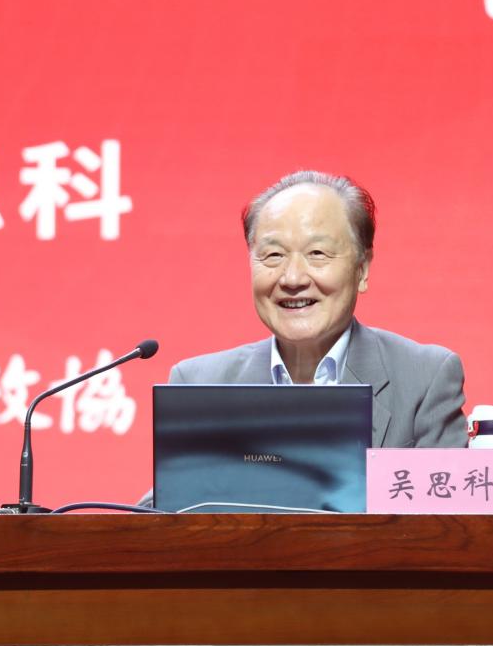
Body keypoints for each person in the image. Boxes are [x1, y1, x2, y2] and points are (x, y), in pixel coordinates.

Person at [169, 170, 467, 448]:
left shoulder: (424, 380)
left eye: (317, 253)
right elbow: (180, 488)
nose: (293, 278)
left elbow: (443, 487)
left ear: (362, 269)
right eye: (273, 255)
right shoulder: (197, 387)